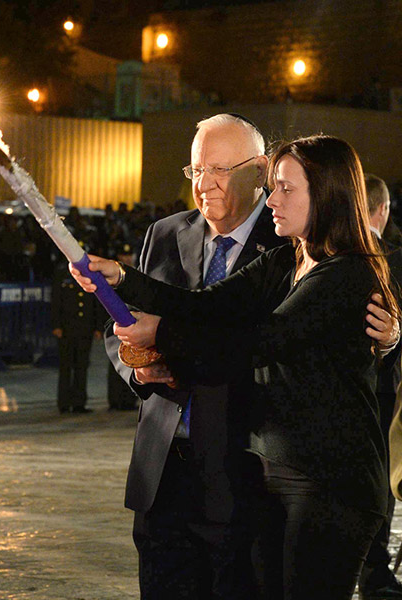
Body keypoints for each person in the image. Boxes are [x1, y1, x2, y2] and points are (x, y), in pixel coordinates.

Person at [72, 134, 400, 599]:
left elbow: (259, 343)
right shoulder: (290, 257)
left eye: (287, 189)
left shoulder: (346, 273)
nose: (273, 200)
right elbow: (209, 304)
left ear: (327, 195)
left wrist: (161, 333)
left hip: (330, 481)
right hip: (275, 472)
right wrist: (124, 278)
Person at [359, 174, 402, 600]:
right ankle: (373, 571)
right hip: (384, 393)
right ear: (383, 210)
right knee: (380, 483)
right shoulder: (395, 258)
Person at [50, 258, 103, 414]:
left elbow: (95, 302)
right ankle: (64, 403)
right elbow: (56, 300)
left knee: (82, 365)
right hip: (66, 328)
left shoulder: (90, 273)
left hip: (84, 328)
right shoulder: (62, 273)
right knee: (66, 366)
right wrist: (56, 325)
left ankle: (79, 402)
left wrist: (97, 326)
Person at [106, 243, 140, 411]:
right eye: (123, 255)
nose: (126, 258)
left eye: (129, 255)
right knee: (116, 365)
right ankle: (115, 399)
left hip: (134, 324)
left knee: (132, 362)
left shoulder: (137, 272)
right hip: (116, 324)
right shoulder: (112, 274)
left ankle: (128, 399)